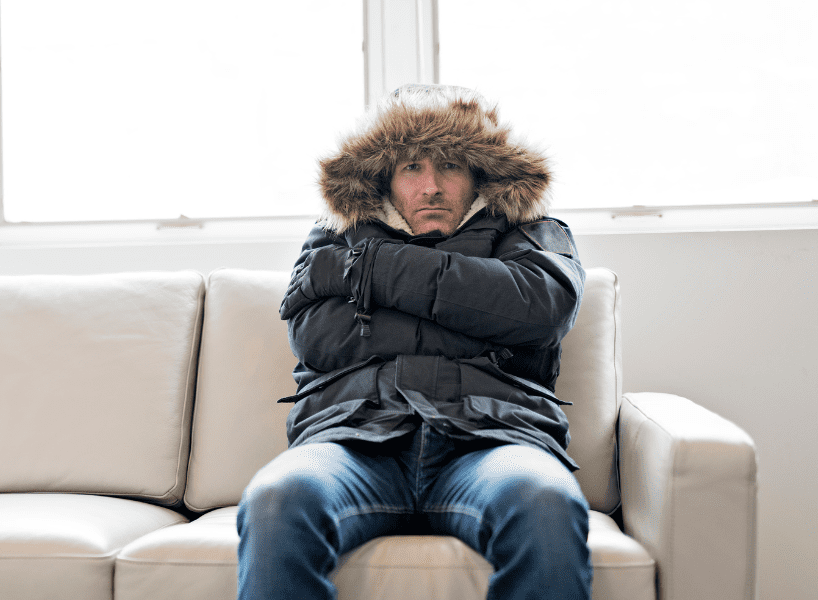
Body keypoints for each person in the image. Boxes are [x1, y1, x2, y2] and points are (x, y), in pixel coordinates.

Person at [236, 84, 591, 600]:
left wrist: (372, 272)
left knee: (544, 501)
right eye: (411, 169)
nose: (431, 187)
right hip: (355, 440)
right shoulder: (338, 235)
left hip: (492, 441)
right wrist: (479, 317)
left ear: (478, 173)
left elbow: (538, 308)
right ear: (385, 177)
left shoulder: (528, 230)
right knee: (275, 499)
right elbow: (318, 337)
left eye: (449, 165)